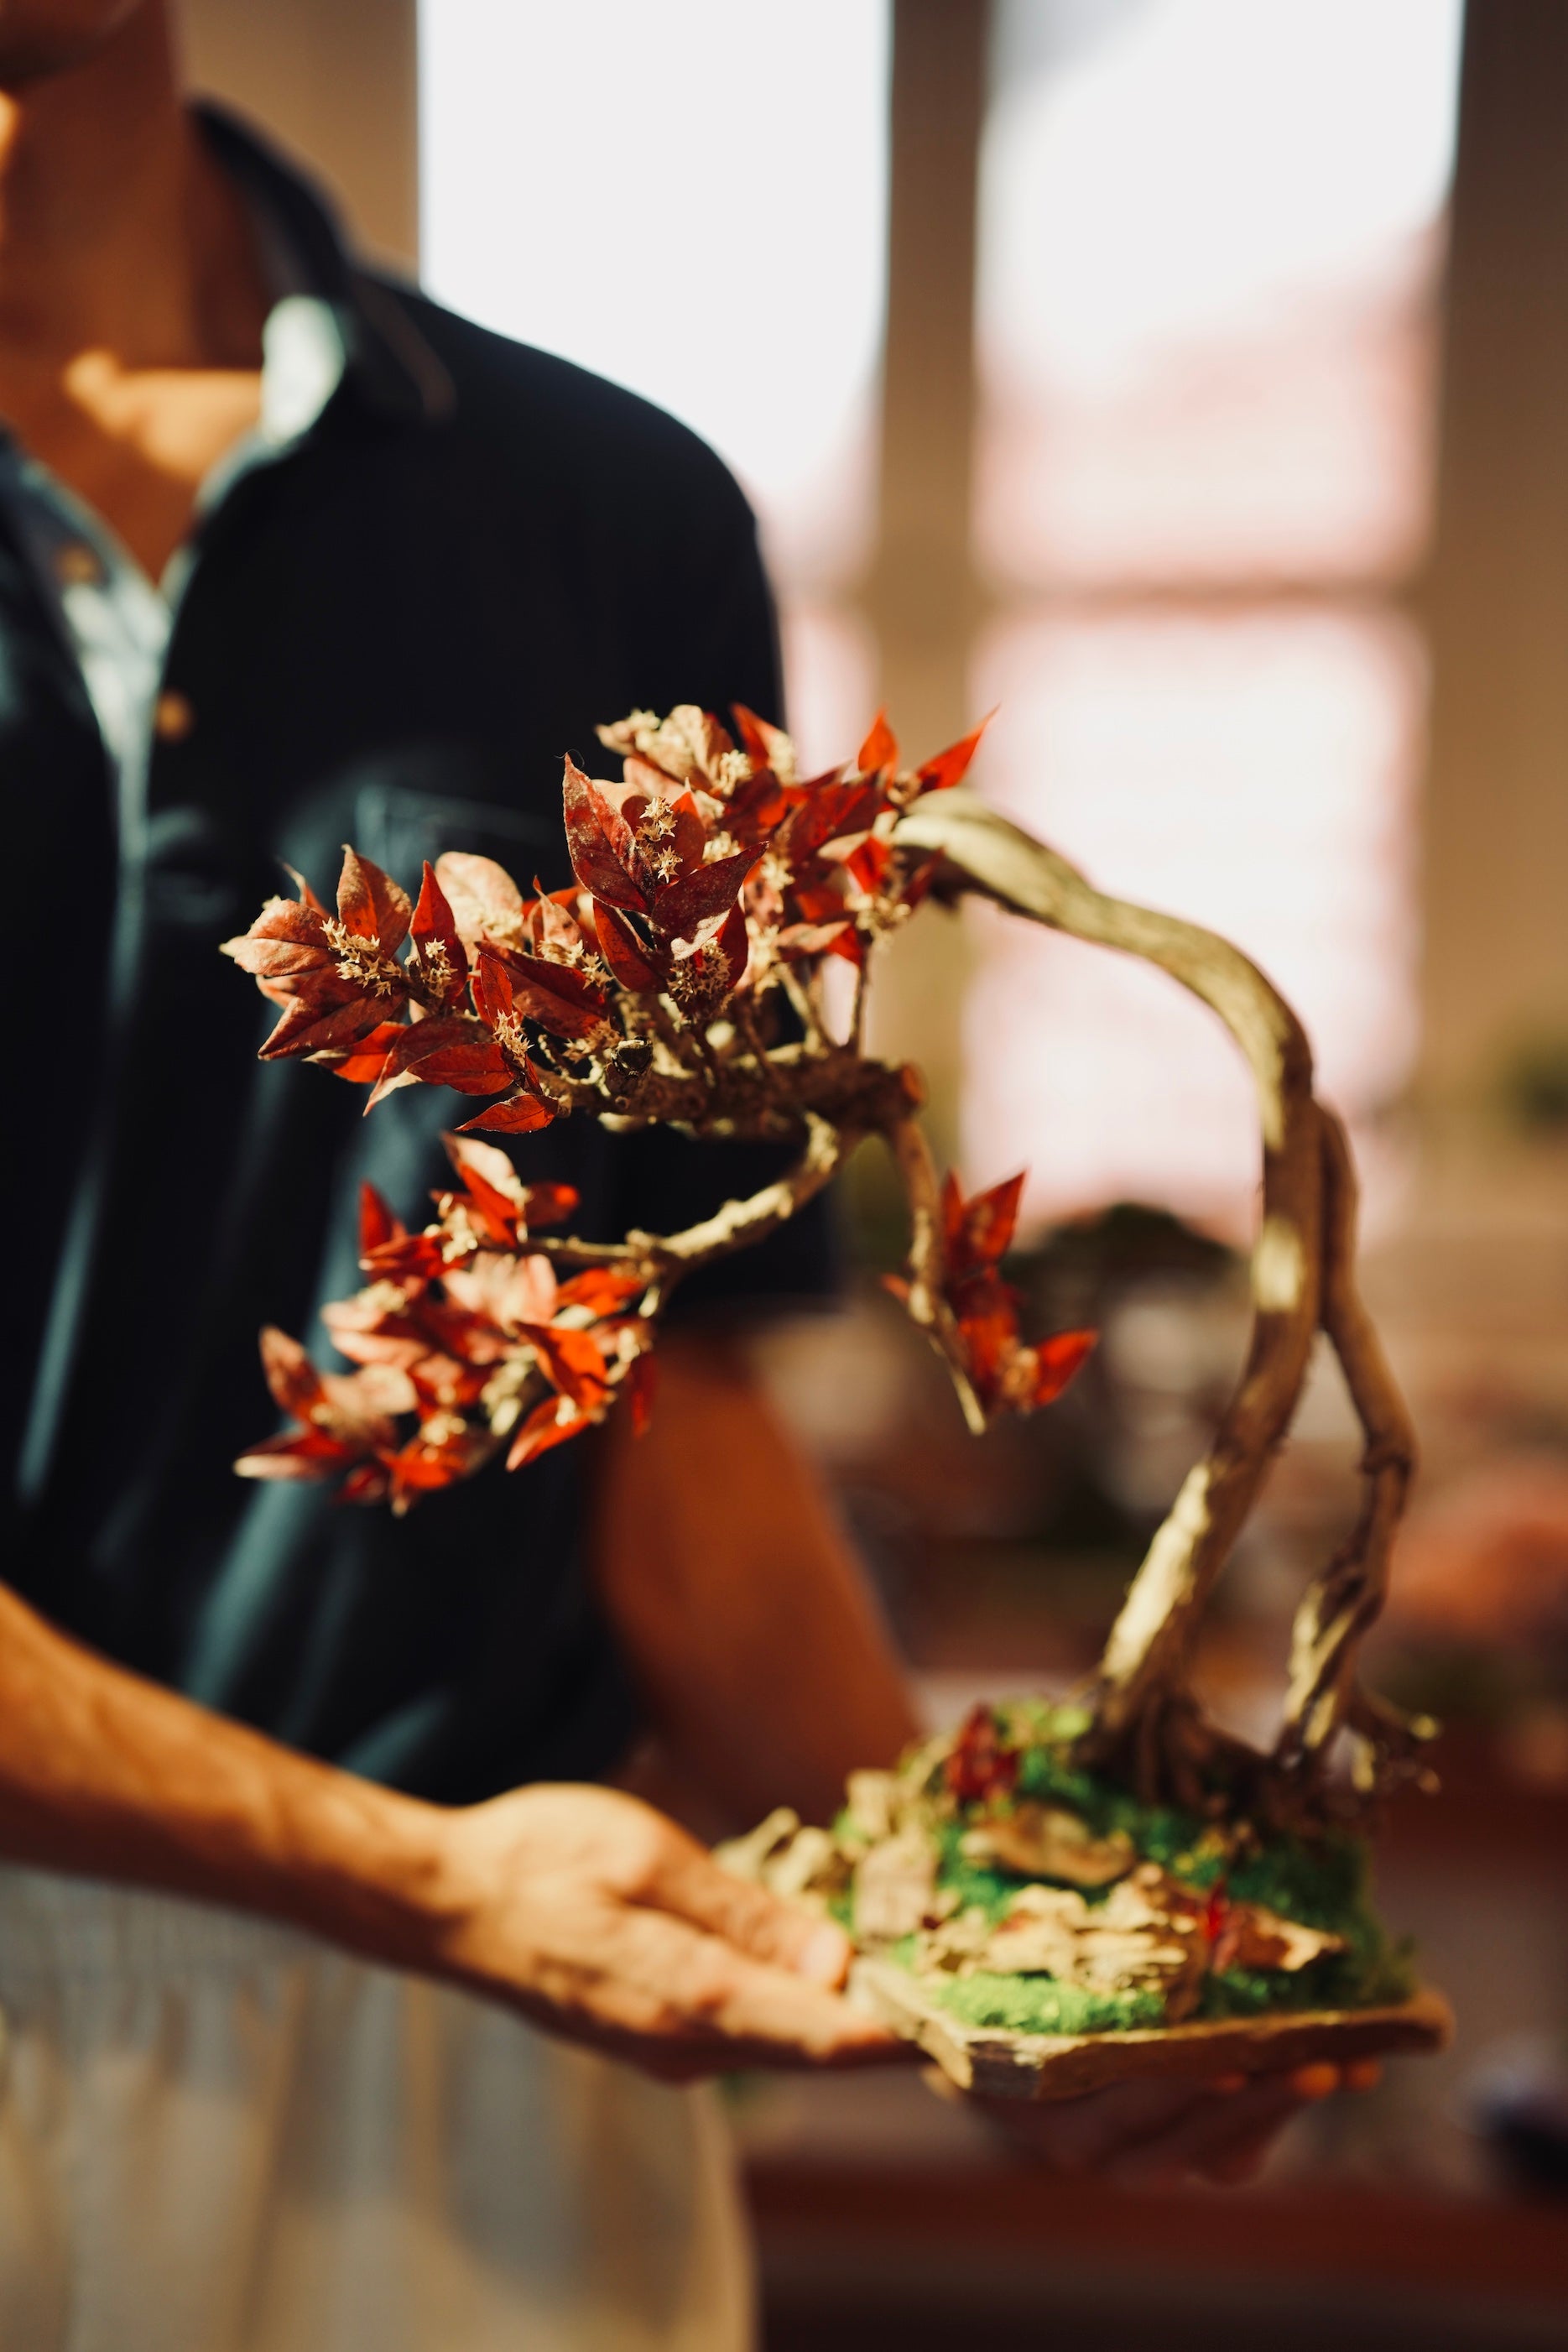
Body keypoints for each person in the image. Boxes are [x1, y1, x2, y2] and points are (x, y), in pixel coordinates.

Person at [0, 5, 1371, 2346]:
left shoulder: (589, 520)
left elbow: (669, 1423)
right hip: (400, 1914)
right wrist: (409, 1880)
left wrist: (1017, 1947)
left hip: (476, 2074)